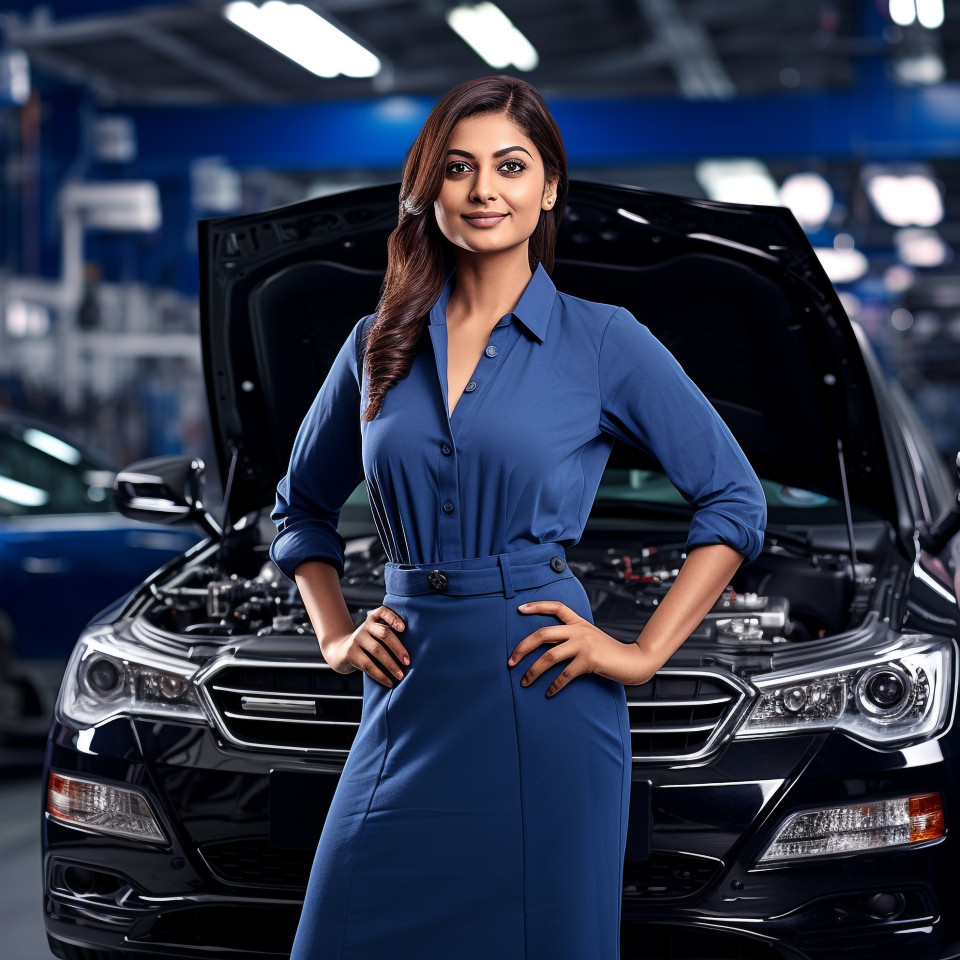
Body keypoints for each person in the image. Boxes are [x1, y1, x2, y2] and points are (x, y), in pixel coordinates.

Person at [269, 75, 766, 960]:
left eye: (510, 165)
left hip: (542, 693)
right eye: (458, 167)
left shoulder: (603, 340)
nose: (483, 190)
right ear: (429, 188)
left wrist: (642, 653)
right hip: (406, 690)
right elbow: (300, 507)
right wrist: (335, 636)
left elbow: (735, 498)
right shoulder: (374, 344)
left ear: (549, 189)